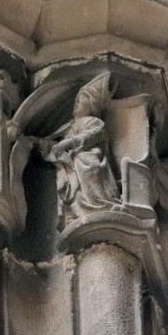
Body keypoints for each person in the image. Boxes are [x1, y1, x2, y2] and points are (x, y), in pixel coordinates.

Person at [42, 72, 121, 224]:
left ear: (91, 105)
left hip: (89, 159)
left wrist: (70, 143)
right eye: (76, 102)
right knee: (69, 177)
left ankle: (100, 203)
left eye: (80, 101)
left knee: (86, 161)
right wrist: (48, 147)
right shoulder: (70, 127)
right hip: (72, 164)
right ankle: (76, 211)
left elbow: (93, 135)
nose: (76, 105)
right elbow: (59, 144)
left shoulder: (94, 121)